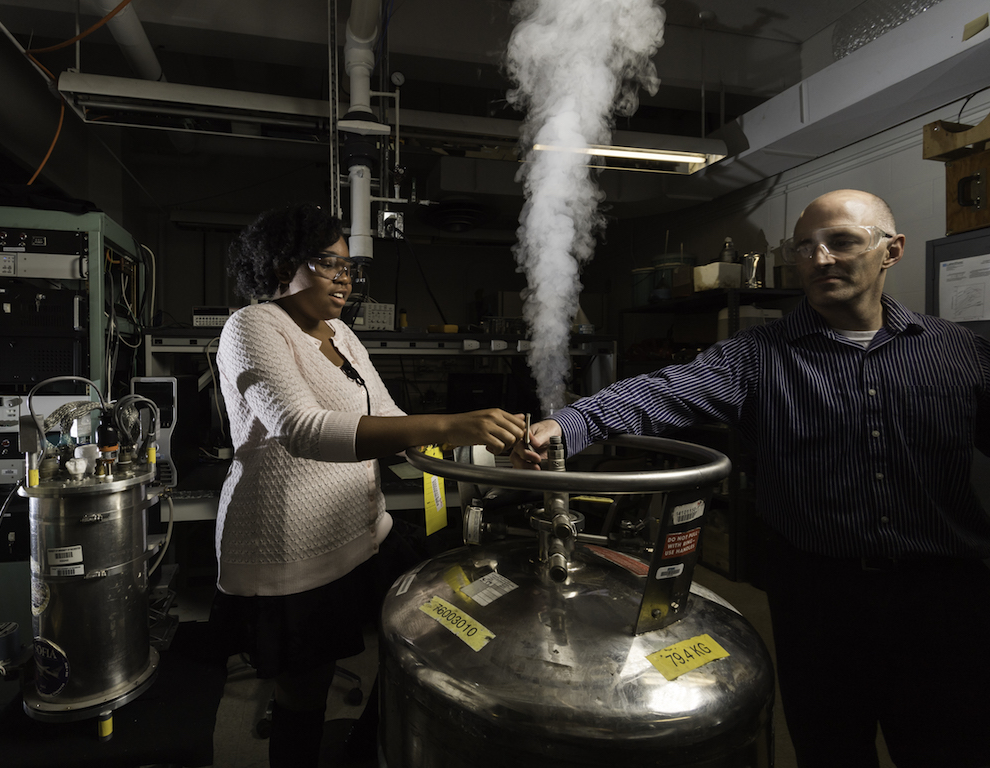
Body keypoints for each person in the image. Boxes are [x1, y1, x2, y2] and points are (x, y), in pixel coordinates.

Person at [513, 189, 990, 768]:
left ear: (892, 251)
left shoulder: (958, 352)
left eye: (841, 242)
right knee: (831, 747)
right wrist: (568, 423)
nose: (819, 260)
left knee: (950, 746)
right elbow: (657, 393)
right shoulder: (757, 357)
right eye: (804, 248)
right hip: (819, 597)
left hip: (943, 597)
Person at [214, 202, 525, 767]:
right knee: (303, 694)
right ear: (283, 262)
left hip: (364, 531)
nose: (345, 279)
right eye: (328, 264)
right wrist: (448, 422)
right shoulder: (253, 325)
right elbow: (302, 429)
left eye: (350, 267)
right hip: (291, 550)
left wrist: (491, 450)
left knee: (427, 635)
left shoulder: (343, 336)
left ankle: (365, 751)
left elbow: (392, 421)